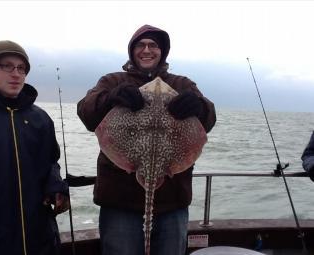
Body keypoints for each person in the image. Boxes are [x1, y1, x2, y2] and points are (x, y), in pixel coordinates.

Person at [77, 24, 216, 255]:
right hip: (120, 201)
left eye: (153, 45)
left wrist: (199, 107)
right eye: (140, 45)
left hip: (172, 201)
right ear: (132, 50)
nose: (147, 50)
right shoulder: (113, 80)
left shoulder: (181, 84)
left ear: (163, 51)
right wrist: (111, 97)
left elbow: (209, 120)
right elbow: (86, 112)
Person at [0, 40, 70, 255]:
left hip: (38, 236)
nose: (16, 74)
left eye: (21, 68)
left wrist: (56, 186)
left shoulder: (40, 118)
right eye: (7, 66)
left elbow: (50, 162)